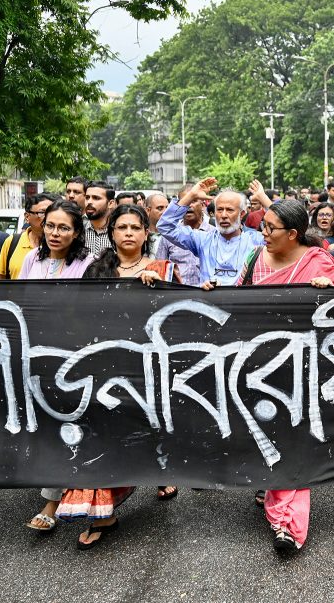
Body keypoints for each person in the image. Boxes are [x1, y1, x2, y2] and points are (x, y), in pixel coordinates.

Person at [218, 199, 334, 554]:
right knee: (265, 434)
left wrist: (325, 292)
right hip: (256, 367)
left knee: (292, 441)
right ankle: (270, 483)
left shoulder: (318, 263)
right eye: (263, 226)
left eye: (270, 228)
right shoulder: (254, 259)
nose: (263, 232)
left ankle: (287, 525)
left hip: (301, 370)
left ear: (292, 233)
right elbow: (236, 306)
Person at [54, 205, 174, 550]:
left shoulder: (162, 269)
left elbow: (179, 315)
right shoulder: (97, 270)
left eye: (136, 227)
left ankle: (157, 474)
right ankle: (101, 512)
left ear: (146, 233)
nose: (128, 233)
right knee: (103, 435)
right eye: (121, 227)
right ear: (112, 232)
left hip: (147, 368)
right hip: (104, 366)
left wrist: (157, 288)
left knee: (144, 429)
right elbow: (79, 317)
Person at [20, 201, 95, 533]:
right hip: (35, 354)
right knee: (49, 427)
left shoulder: (88, 264)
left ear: (77, 232)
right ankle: (58, 492)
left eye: (64, 227)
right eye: (50, 225)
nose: (54, 233)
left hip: (73, 356)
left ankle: (57, 500)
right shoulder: (29, 259)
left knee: (71, 424)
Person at [157, 178, 269, 287]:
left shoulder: (256, 240)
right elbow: (165, 226)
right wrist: (191, 196)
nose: (224, 215)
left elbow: (284, 231)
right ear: (213, 213)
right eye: (219, 210)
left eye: (230, 210)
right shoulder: (203, 239)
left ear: (242, 214)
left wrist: (264, 199)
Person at [153, 186, 212, 286]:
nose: (189, 206)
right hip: (176, 293)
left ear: (202, 205)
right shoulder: (168, 236)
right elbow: (159, 267)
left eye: (193, 201)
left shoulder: (213, 234)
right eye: (186, 202)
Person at [0, 193, 55, 279]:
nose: (48, 218)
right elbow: (1, 280)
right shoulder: (12, 242)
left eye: (52, 213)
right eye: (42, 213)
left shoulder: (60, 244)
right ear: (27, 217)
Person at [83, 180, 115, 256]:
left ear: (110, 203)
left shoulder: (118, 232)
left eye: (96, 198)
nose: (89, 202)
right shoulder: (78, 231)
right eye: (87, 198)